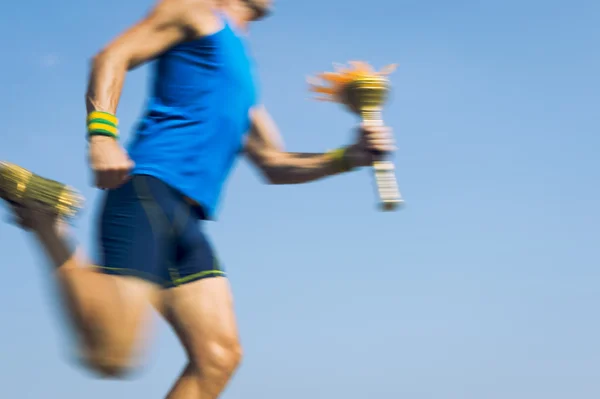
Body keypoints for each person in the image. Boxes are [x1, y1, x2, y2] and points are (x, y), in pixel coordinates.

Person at [0, 0, 396, 397]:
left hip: (188, 219)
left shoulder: (243, 71)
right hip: (149, 189)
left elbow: (274, 162)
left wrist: (348, 157)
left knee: (218, 357)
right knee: (112, 356)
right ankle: (46, 222)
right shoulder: (193, 11)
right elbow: (112, 56)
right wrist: (102, 135)